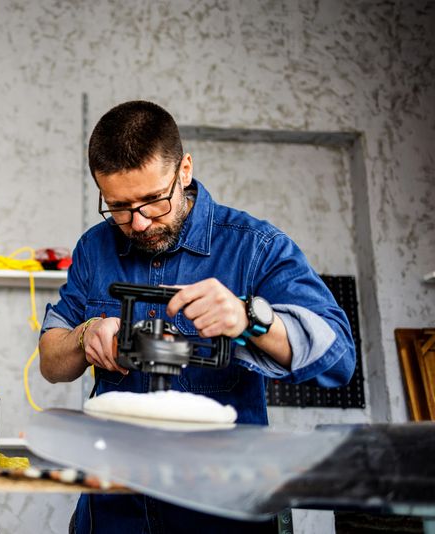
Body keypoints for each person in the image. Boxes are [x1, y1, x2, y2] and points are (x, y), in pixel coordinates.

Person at [38, 100, 356, 534]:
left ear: (184, 170)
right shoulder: (96, 247)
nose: (139, 222)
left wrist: (249, 319)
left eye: (153, 200)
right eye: (118, 207)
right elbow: (50, 362)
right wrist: (85, 334)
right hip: (113, 512)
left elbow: (338, 358)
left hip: (220, 513)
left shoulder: (255, 247)